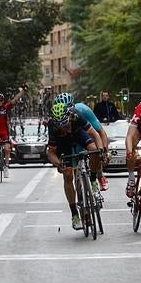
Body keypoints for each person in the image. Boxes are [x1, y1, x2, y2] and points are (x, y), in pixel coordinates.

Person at [47, 102, 104, 230]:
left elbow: (95, 134)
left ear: (69, 116)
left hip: (78, 133)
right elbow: (51, 153)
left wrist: (100, 150)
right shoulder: (52, 126)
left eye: (66, 123)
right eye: (62, 126)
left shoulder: (76, 115)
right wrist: (58, 163)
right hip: (63, 143)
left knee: (94, 149)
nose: (65, 127)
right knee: (67, 174)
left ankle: (93, 180)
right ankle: (74, 214)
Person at [53, 92, 109, 192]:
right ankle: (80, 193)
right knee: (72, 169)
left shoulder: (83, 110)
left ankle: (98, 176)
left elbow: (100, 132)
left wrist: (104, 151)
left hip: (82, 132)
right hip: (71, 139)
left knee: (96, 150)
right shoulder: (59, 120)